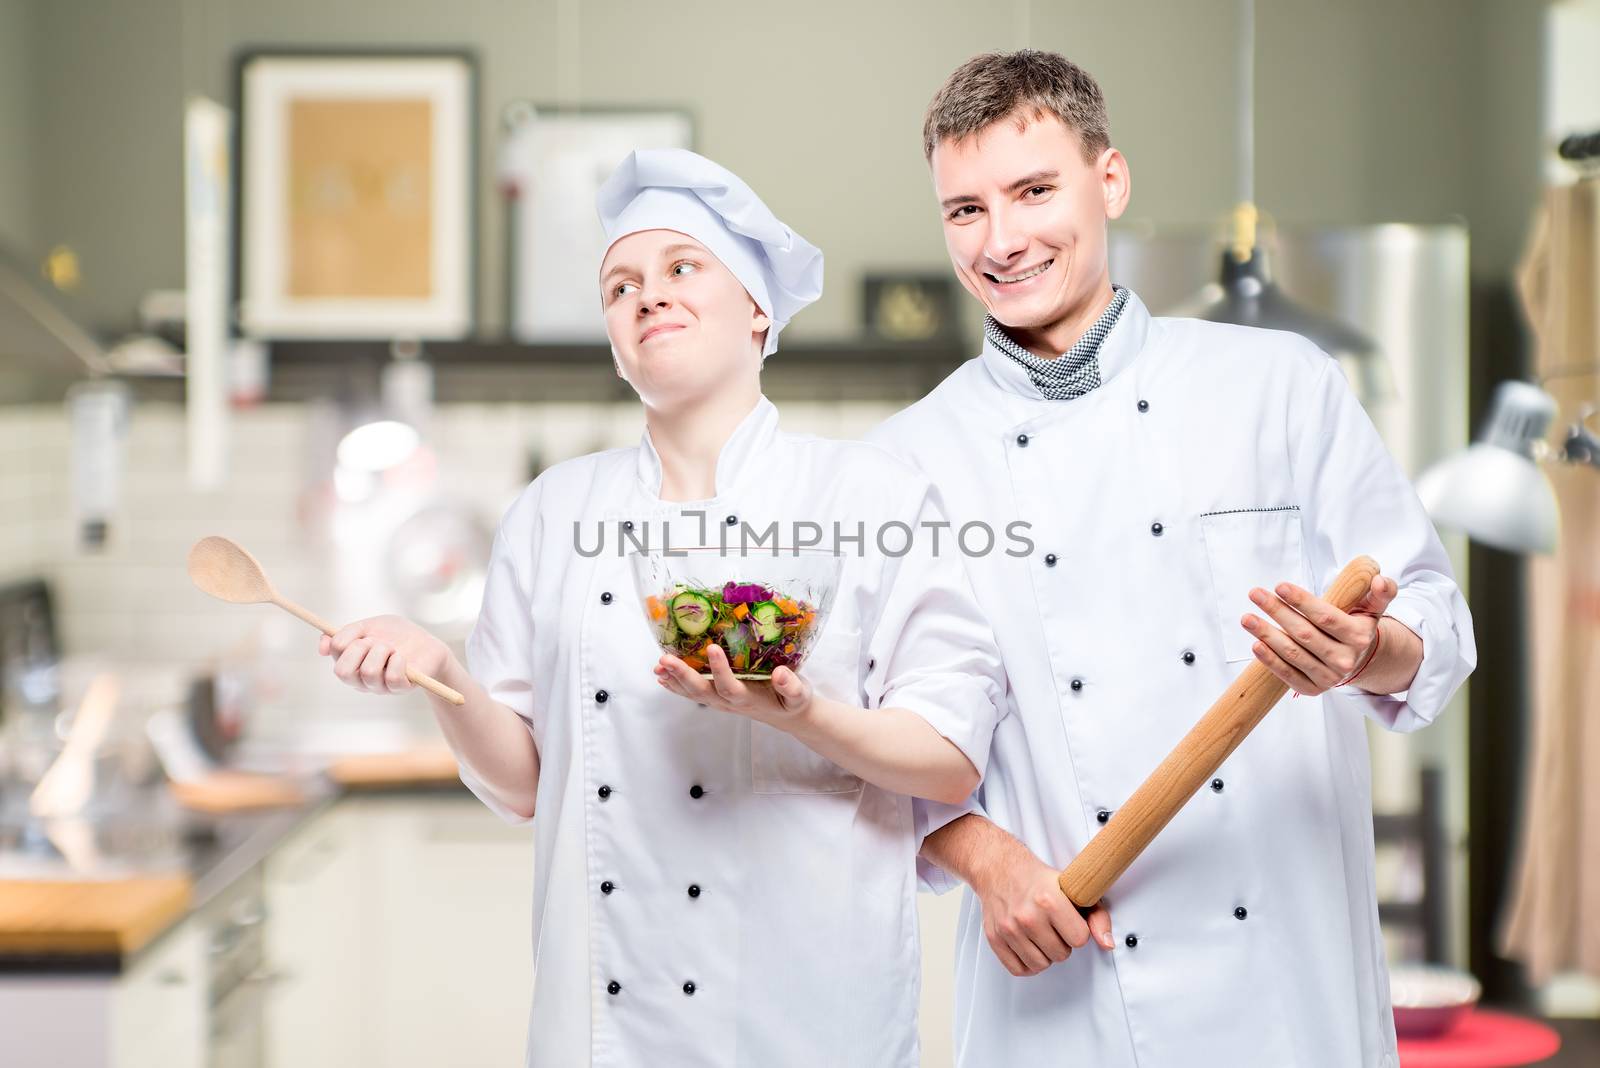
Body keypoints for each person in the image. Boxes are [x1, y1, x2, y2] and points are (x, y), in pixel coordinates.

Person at [318, 148, 1005, 1067]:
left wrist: (807, 716)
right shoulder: (554, 512)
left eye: (683, 268)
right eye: (620, 285)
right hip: (608, 1033)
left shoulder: (872, 498)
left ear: (759, 308)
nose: (647, 295)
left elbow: (951, 762)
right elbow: (523, 782)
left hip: (813, 1021)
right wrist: (443, 674)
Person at [867, 50, 1477, 1067]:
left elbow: (1435, 621)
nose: (1001, 240)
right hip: (1069, 986)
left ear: (1108, 181)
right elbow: (877, 748)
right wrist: (982, 859)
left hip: (1287, 982)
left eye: (1031, 191)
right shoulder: (902, 465)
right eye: (964, 210)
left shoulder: (1278, 385)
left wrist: (1365, 650)